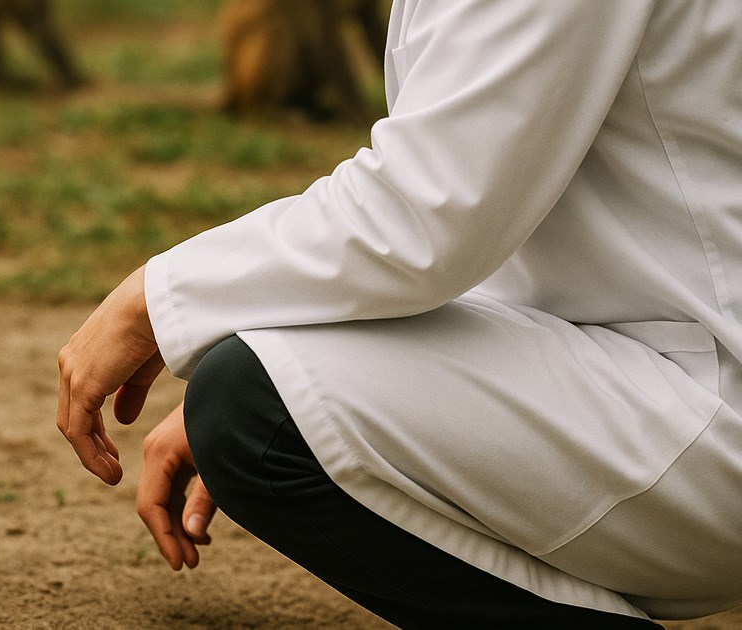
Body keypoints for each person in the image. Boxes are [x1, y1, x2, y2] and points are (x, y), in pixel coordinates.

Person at [56, 1, 742, 628]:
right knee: (265, 391)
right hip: (659, 359)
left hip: (705, 402)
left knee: (251, 405)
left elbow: (431, 213)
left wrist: (155, 300)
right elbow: (496, 216)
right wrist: (306, 364)